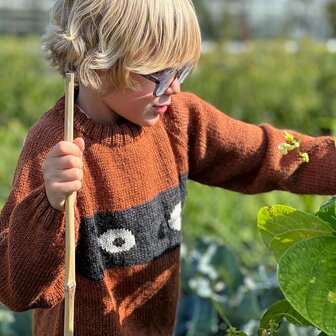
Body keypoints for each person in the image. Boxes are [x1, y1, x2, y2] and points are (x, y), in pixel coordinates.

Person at [0, 0, 335, 335]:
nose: (174, 87)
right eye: (159, 74)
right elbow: (18, 290)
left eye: (181, 71)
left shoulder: (178, 120)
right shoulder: (57, 148)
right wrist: (50, 205)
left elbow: (263, 153)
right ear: (99, 62)